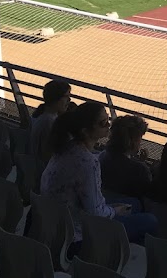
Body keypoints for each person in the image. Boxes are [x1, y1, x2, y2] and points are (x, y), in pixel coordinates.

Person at [40, 100, 158, 250]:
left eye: (108, 120)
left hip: (59, 221)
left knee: (133, 203)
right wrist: (114, 210)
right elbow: (95, 213)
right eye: (103, 123)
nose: (108, 125)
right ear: (85, 131)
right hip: (78, 235)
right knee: (151, 220)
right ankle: (115, 255)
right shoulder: (88, 162)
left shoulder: (65, 148)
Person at [99, 114, 152, 202]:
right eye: (139, 138)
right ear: (133, 140)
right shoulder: (140, 170)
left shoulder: (102, 156)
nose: (140, 142)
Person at [30, 79, 72, 165]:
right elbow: (47, 155)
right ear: (57, 98)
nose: (69, 100)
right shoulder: (49, 122)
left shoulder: (41, 117)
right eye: (66, 96)